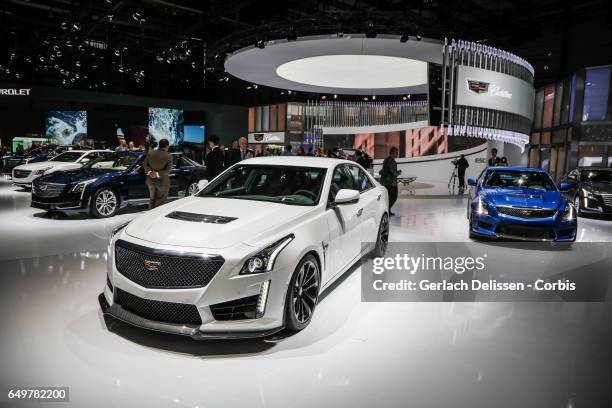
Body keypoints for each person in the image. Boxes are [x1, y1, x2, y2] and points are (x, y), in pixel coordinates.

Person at [143, 138, 172, 209]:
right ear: (167, 146)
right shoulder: (168, 156)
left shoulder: (150, 153)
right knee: (160, 202)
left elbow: (145, 164)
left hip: (150, 181)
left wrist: (150, 172)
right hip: (162, 182)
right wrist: (157, 174)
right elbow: (167, 170)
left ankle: (150, 216)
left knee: (152, 199)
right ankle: (156, 218)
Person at [380, 147, 401, 216]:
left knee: (389, 197)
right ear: (392, 152)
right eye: (396, 152)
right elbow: (392, 172)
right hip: (390, 183)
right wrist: (398, 173)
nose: (397, 153)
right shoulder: (391, 160)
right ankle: (387, 209)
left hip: (387, 182)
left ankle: (388, 210)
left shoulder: (387, 159)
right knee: (393, 196)